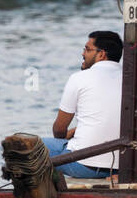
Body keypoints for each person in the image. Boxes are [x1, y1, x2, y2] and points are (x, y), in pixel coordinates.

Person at [43, 31, 123, 179]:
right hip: (121, 168)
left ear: (101, 54)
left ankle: (42, 196)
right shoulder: (131, 78)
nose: (83, 53)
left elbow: (59, 129)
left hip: (84, 166)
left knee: (25, 147)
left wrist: (66, 137)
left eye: (87, 49)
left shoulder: (79, 78)